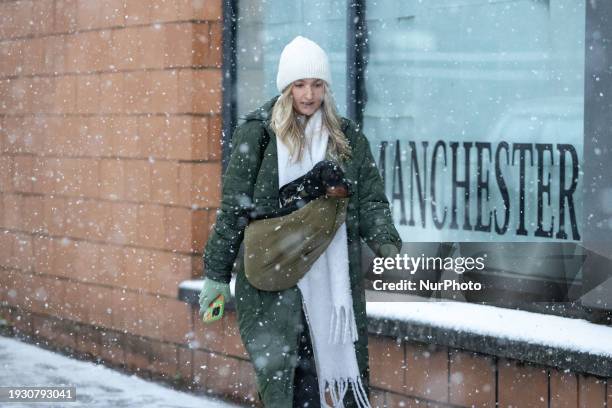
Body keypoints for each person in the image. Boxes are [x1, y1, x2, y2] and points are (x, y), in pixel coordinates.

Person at [199, 36, 401, 407]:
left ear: (326, 87)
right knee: (291, 384)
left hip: (331, 278)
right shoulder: (259, 135)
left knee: (338, 384)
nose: (309, 94)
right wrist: (216, 274)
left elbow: (370, 199)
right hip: (276, 277)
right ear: (286, 87)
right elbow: (234, 208)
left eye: (317, 84)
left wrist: (385, 240)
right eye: (300, 84)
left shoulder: (347, 138)